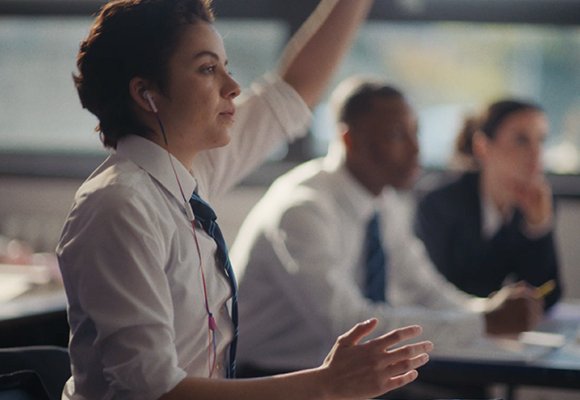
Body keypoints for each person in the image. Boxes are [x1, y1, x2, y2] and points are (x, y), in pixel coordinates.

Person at [55, 1, 433, 399]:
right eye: (207, 69)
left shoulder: (186, 180)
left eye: (225, 66)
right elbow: (153, 391)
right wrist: (325, 384)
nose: (232, 86)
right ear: (147, 93)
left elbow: (292, 92)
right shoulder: (121, 206)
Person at [230, 78, 544, 379]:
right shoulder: (302, 210)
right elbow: (350, 326)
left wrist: (486, 310)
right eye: (397, 135)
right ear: (348, 139)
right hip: (273, 379)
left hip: (341, 377)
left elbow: (425, 289)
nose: (416, 149)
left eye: (416, 133)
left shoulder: (385, 200)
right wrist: (483, 323)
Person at [415, 99, 562, 309]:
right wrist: (491, 312)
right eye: (521, 141)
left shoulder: (540, 203)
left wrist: (537, 228)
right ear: (482, 146)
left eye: (541, 140)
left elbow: (546, 296)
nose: (536, 153)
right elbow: (432, 293)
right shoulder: (440, 202)